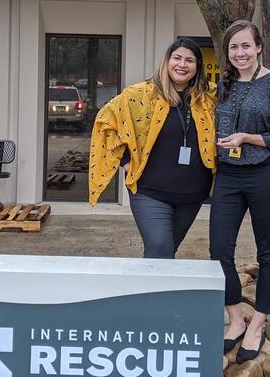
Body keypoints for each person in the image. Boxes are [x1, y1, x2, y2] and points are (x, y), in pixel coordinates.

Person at [210, 20, 270, 363]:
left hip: (265, 174)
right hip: (229, 176)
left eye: (246, 46)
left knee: (269, 251)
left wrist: (247, 137)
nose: (240, 53)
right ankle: (235, 319)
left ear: (259, 48)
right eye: (234, 47)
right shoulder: (224, 85)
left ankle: (258, 322)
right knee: (219, 249)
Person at [89, 38, 216, 258]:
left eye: (189, 60)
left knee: (165, 253)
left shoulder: (209, 97)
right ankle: (150, 292)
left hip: (192, 194)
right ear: (166, 62)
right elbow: (106, 122)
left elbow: (247, 92)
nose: (182, 64)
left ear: (197, 67)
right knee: (160, 247)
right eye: (177, 58)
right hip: (150, 191)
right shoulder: (141, 95)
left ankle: (153, 290)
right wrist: (125, 161)